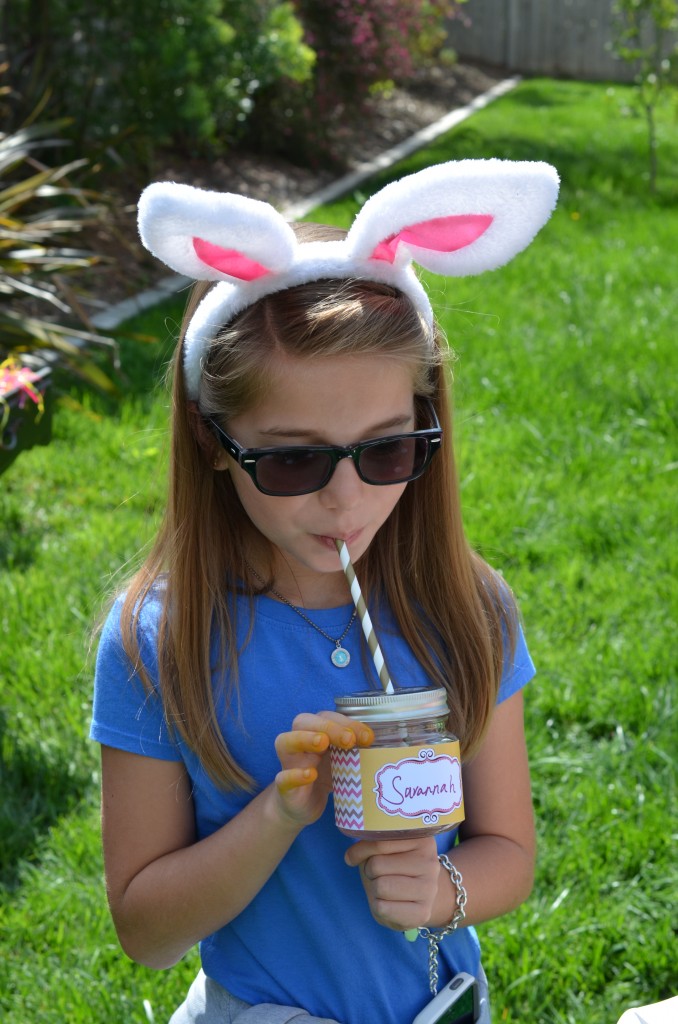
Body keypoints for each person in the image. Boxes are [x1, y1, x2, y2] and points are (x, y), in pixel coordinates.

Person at [91, 159, 559, 1024]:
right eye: (294, 459)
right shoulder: (159, 642)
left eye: (386, 451)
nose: (345, 499)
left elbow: (511, 853)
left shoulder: (467, 607)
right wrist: (278, 812)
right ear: (210, 438)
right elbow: (146, 932)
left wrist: (442, 886)